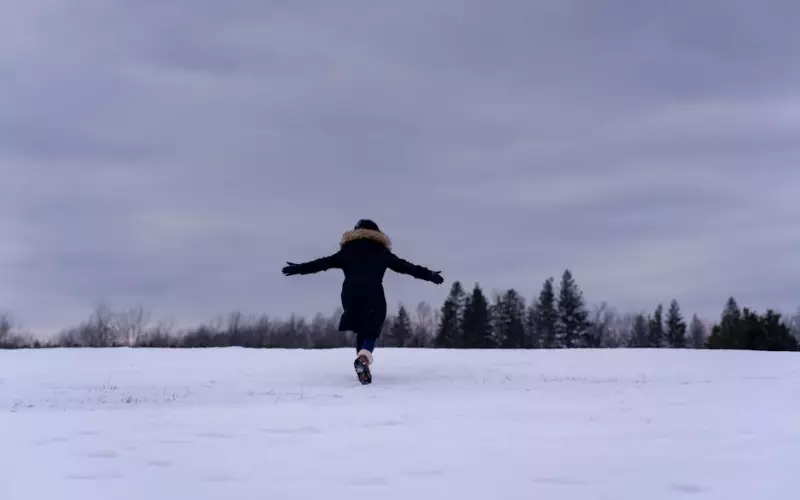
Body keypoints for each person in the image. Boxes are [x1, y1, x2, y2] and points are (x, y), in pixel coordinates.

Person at [282, 219, 444, 383]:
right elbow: (406, 267)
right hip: (373, 292)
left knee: (361, 327)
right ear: (377, 234)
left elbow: (320, 264)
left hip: (350, 293)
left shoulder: (347, 251)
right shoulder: (381, 252)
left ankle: (363, 363)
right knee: (372, 328)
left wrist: (298, 268)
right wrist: (429, 274)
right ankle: (364, 359)